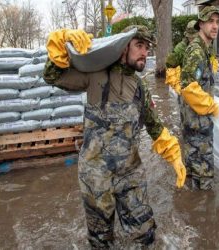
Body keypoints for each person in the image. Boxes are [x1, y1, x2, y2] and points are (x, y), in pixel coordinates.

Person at [43, 26, 187, 248]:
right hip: (95, 175)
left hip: (130, 174)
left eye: (147, 48)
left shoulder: (140, 87)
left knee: (145, 233)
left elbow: (154, 126)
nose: (144, 53)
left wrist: (174, 154)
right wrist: (61, 43)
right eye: (139, 46)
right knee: (101, 239)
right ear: (123, 48)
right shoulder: (94, 75)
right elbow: (51, 76)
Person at [179, 6, 219, 190]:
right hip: (198, 124)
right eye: (211, 21)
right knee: (204, 174)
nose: (215, 26)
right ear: (201, 24)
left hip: (196, 122)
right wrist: (211, 106)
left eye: (218, 22)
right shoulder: (196, 51)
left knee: (194, 170)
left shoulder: (203, 49)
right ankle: (204, 213)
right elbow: (188, 86)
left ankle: (191, 209)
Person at [165, 20, 198, 94]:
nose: (193, 40)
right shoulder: (180, 49)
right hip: (187, 89)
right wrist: (176, 84)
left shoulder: (205, 45)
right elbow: (169, 66)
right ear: (187, 36)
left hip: (203, 89)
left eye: (195, 37)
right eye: (190, 38)